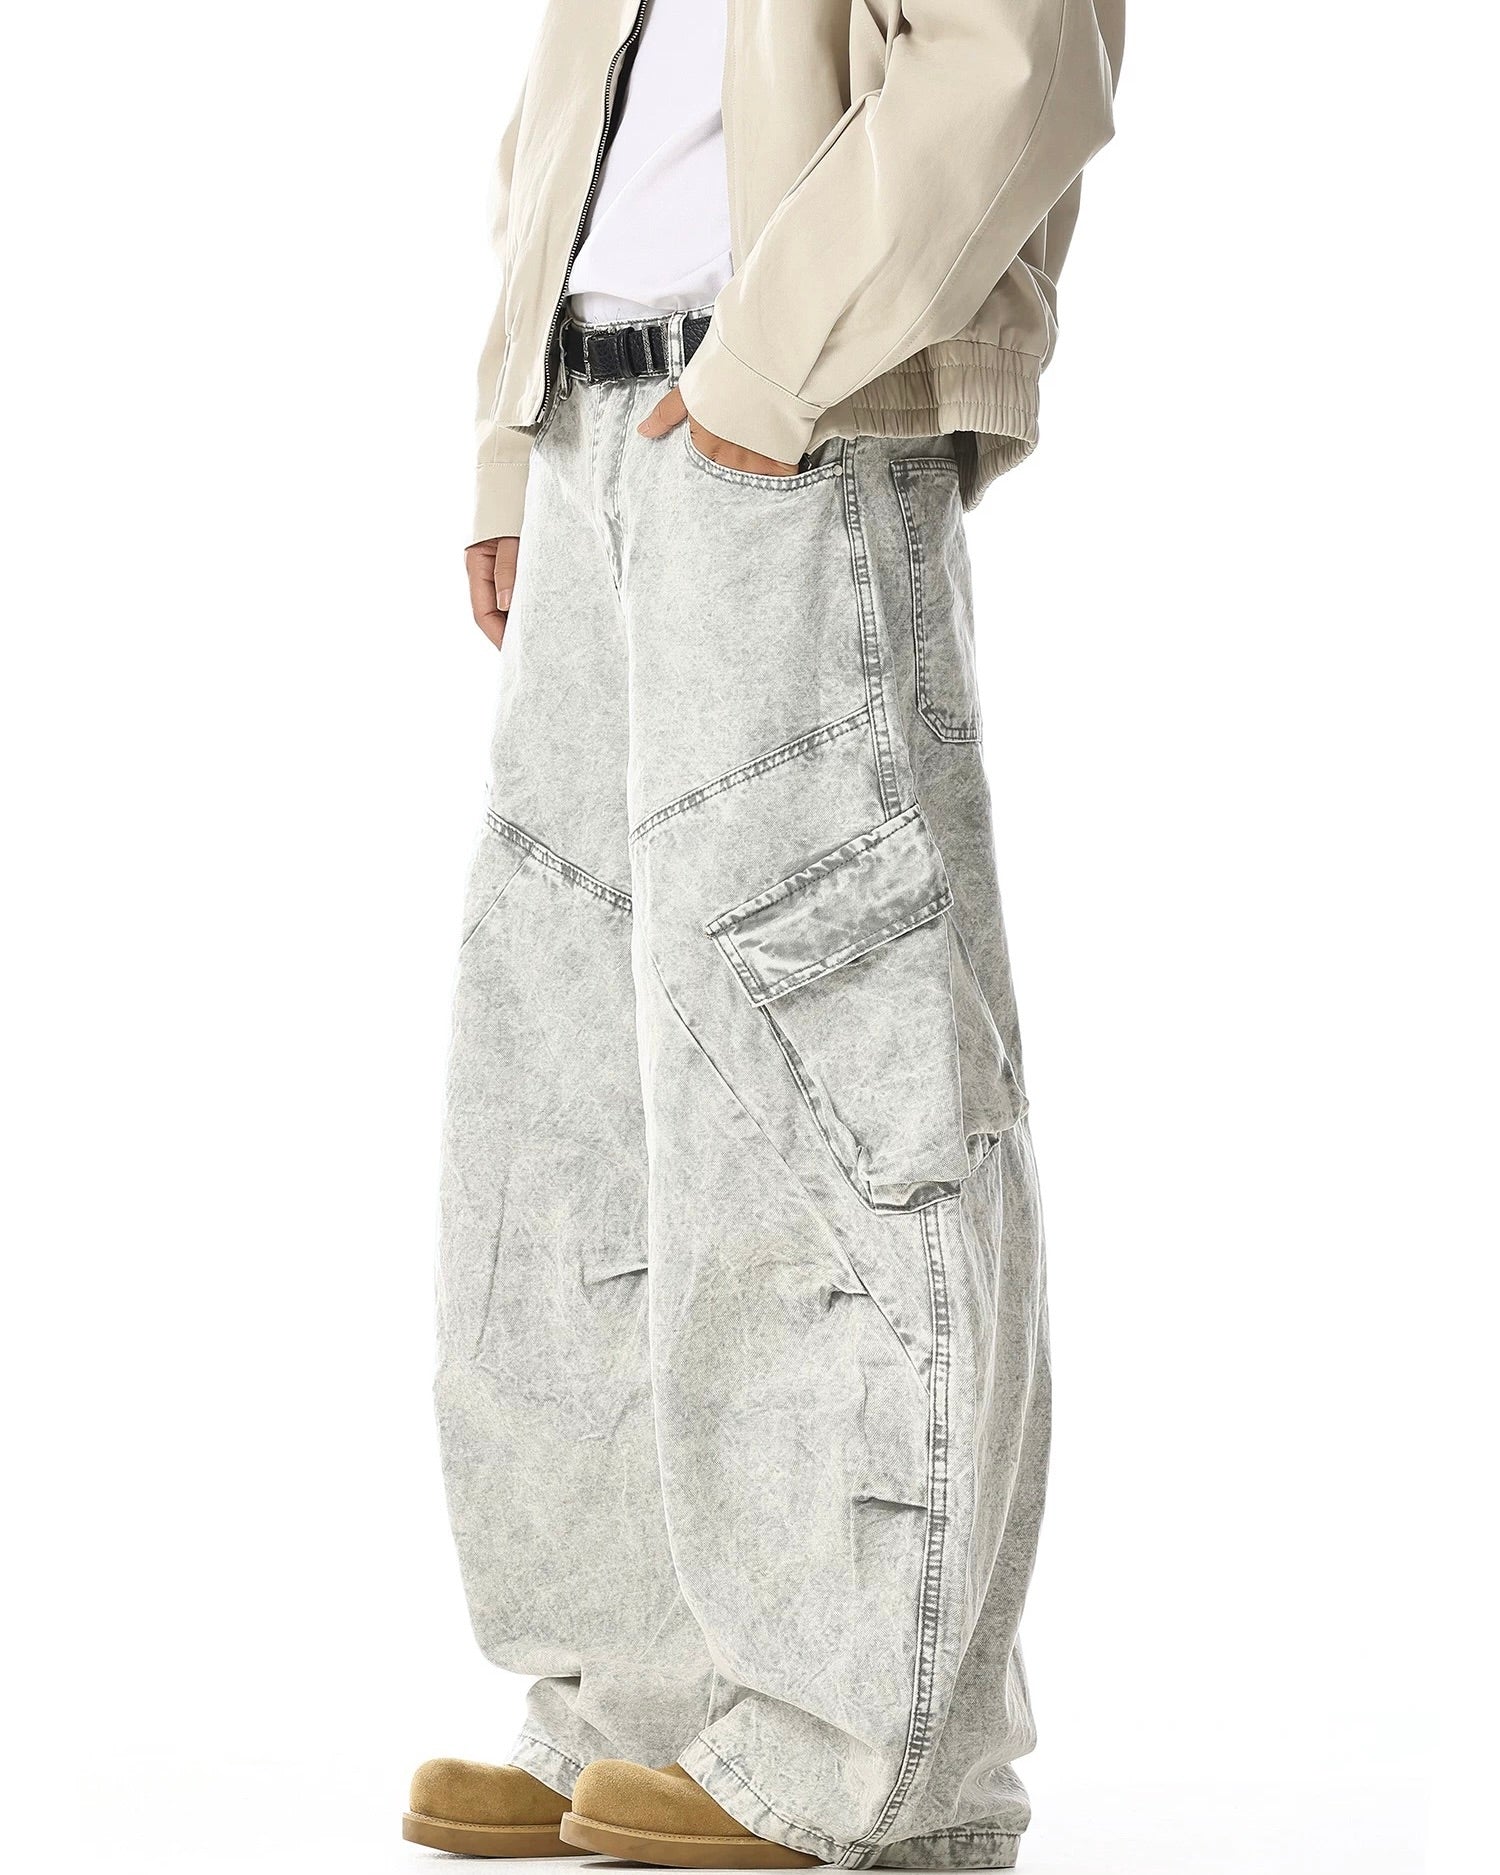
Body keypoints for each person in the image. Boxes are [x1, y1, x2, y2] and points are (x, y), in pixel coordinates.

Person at [406, 1, 1124, 1866]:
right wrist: (511, 436)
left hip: (791, 422)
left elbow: (1016, 67)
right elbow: (575, 104)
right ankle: (638, 1708)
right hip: (597, 422)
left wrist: (767, 372)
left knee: (824, 1073)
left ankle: (865, 1756)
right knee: (571, 1087)